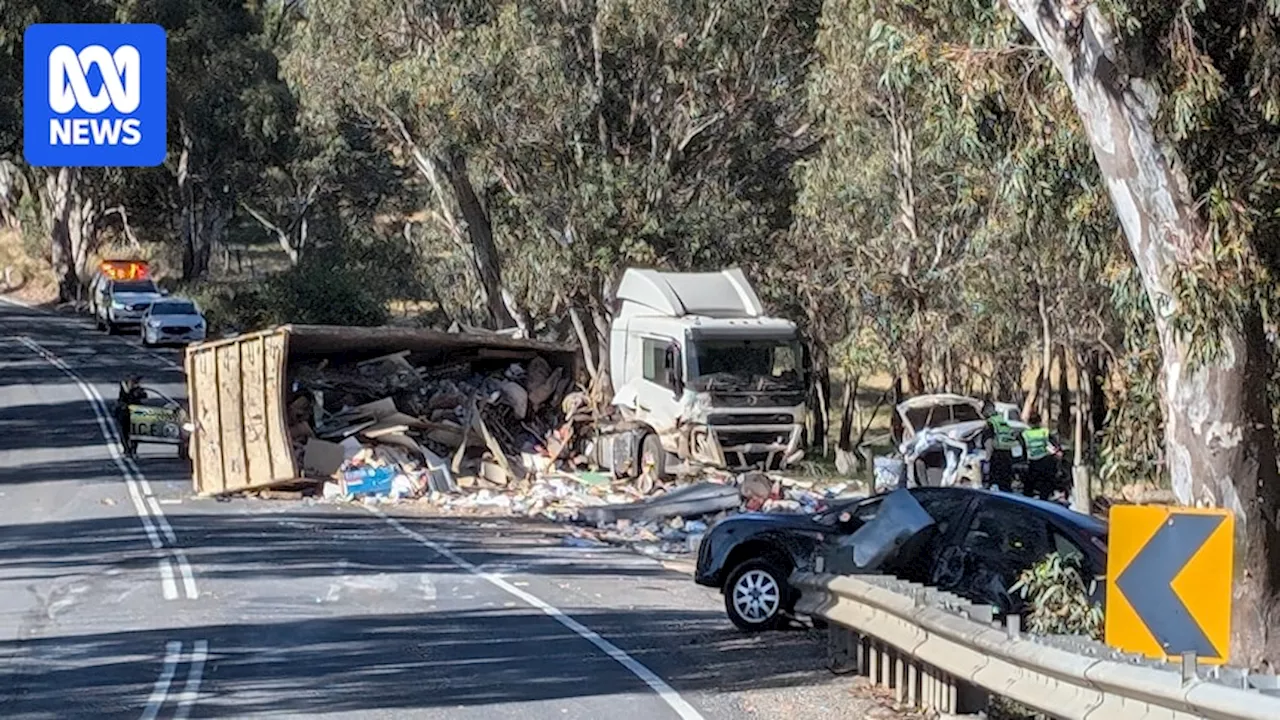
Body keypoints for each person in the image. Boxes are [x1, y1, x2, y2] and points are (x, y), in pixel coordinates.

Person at [1020, 411, 1061, 500]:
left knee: (1029, 485)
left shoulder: (1025, 434)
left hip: (1032, 462)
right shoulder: (1044, 432)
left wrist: (1024, 461)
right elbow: (1053, 446)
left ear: (1029, 423)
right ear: (1039, 422)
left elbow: (1023, 448)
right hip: (1044, 460)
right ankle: (1045, 498)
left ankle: (1028, 498)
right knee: (1046, 483)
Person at [982, 400, 1018, 492]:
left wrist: (987, 459)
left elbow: (989, 442)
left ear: (987, 411)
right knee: (1005, 483)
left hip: (997, 455)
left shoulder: (990, 423)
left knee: (993, 483)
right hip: (1007, 454)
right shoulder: (1002, 421)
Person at [116, 375, 146, 457]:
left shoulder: (138, 389)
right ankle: (127, 449)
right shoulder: (124, 388)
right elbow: (122, 399)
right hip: (125, 413)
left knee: (135, 432)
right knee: (125, 433)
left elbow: (144, 395)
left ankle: (132, 449)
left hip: (135, 413)